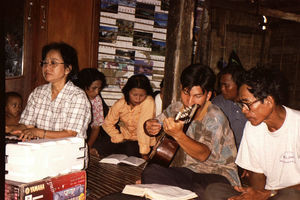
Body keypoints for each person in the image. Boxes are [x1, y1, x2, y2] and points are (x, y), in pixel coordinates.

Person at [141, 64, 241, 199]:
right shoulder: (177, 108)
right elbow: (156, 122)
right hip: (189, 171)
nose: (189, 101)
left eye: (197, 96)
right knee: (150, 172)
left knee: (208, 190)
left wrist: (178, 134)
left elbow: (202, 155)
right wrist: (149, 126)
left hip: (218, 175)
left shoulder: (215, 117)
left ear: (208, 95)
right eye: (186, 93)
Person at [204, 67, 300, 200]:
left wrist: (268, 193)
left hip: (290, 195)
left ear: (269, 101)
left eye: (247, 104)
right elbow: (257, 177)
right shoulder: (252, 127)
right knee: (214, 190)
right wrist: (252, 194)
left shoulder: (297, 125)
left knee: (291, 196)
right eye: (242, 105)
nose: (244, 110)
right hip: (268, 195)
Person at [6, 42, 91, 140]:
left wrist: (37, 132)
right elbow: (26, 126)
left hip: (68, 152)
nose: (47, 67)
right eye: (45, 63)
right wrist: (9, 128)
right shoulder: (38, 93)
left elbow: (70, 133)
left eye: (53, 63)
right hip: (41, 150)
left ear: (67, 69)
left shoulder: (77, 96)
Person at [102, 74, 156, 159]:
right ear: (128, 92)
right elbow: (107, 123)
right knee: (101, 146)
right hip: (126, 140)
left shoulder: (148, 101)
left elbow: (143, 127)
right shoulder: (120, 103)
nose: (138, 99)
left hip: (145, 143)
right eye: (134, 95)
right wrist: (118, 137)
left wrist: (144, 153)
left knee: (129, 152)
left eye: (142, 95)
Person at [212, 63, 247, 150]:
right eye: (221, 85)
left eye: (226, 85)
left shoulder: (252, 104)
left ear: (239, 85)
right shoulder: (218, 103)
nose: (222, 89)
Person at [76, 68, 109, 157]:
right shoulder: (73, 98)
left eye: (99, 88)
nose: (97, 92)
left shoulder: (97, 100)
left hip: (89, 135)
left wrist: (88, 147)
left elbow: (96, 127)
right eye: (94, 88)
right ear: (83, 86)